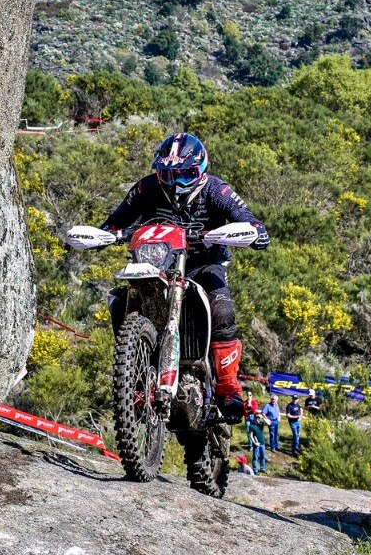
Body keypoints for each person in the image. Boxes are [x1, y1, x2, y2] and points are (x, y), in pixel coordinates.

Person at [100, 132, 270, 424]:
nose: (176, 183)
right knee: (121, 300)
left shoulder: (217, 191)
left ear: (201, 169)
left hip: (204, 265)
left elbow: (247, 217)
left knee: (222, 311)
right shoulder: (146, 188)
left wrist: (256, 231)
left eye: (186, 174)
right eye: (168, 174)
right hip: (157, 265)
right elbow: (116, 220)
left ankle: (228, 386)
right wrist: (101, 236)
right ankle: (136, 376)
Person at [246, 409, 267, 474]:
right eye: (257, 418)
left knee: (263, 456)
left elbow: (268, 423)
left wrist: (263, 417)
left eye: (259, 418)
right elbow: (251, 435)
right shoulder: (251, 426)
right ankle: (255, 470)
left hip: (262, 442)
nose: (258, 419)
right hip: (257, 443)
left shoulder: (261, 424)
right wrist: (254, 443)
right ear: (254, 417)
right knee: (255, 457)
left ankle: (262, 468)